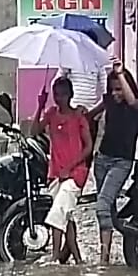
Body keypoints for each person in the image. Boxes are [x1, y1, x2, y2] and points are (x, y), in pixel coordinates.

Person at [88, 60, 138, 264]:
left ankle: (104, 259)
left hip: (121, 163)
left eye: (119, 89)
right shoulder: (109, 101)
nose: (115, 94)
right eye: (112, 90)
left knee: (101, 206)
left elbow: (132, 101)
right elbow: (88, 116)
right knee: (109, 212)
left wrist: (120, 74)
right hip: (102, 160)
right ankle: (132, 236)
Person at [34, 76, 93, 264]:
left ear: (71, 95)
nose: (60, 98)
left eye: (64, 94)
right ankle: (78, 259)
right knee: (66, 218)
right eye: (57, 95)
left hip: (75, 174)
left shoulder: (78, 117)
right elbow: (34, 131)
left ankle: (54, 258)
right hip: (55, 174)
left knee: (58, 212)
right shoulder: (51, 114)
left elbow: (88, 147)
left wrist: (70, 168)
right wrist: (40, 107)